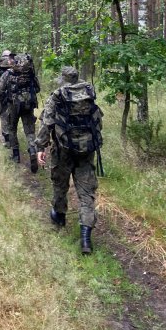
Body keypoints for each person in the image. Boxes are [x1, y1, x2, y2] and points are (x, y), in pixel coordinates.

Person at [35, 66, 103, 255]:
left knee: (60, 183)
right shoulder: (88, 93)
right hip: (86, 149)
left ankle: (60, 217)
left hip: (63, 149)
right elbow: (97, 120)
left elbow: (47, 122)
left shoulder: (57, 96)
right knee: (86, 192)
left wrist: (40, 147)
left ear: (63, 79)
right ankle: (85, 239)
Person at [0, 52, 40, 172]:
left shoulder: (8, 74)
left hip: (13, 106)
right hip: (28, 105)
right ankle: (32, 150)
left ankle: (15, 156)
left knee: (12, 129)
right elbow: (37, 88)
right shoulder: (30, 74)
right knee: (30, 131)